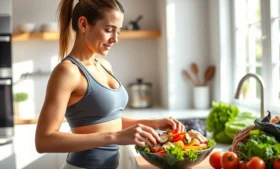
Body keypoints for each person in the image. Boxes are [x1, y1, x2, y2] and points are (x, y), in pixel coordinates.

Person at [35, 0, 185, 169]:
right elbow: (43, 141)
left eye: (118, 32)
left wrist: (154, 124)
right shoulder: (68, 71)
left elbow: (108, 121)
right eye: (108, 30)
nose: (115, 39)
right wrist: (116, 137)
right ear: (83, 24)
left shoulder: (104, 65)